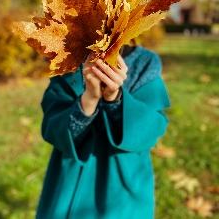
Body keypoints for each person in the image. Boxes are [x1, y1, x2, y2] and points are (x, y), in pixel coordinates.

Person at [36, 44, 170, 219]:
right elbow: (53, 126)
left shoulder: (144, 62)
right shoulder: (67, 59)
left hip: (122, 190)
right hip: (69, 185)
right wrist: (89, 99)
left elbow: (151, 129)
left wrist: (115, 99)